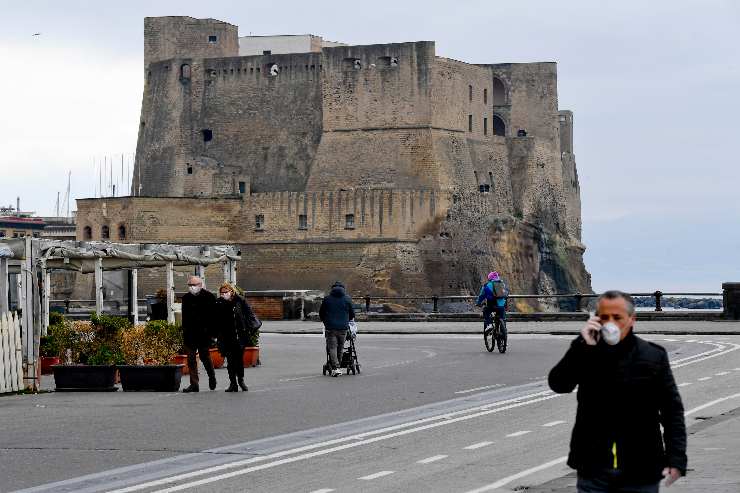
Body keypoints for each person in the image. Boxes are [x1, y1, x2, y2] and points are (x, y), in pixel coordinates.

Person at [548, 290, 687, 492]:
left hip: (641, 469)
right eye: (604, 317)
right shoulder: (585, 351)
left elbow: (672, 411)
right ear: (595, 320)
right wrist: (580, 346)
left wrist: (676, 459)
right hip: (593, 468)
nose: (610, 323)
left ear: (631, 319)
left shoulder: (653, 356)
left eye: (617, 317)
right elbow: (559, 384)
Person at [214, 282, 256, 392]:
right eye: (222, 293)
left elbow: (249, 314)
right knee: (230, 361)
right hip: (225, 336)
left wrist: (248, 328)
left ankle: (241, 380)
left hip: (238, 336)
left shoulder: (239, 300)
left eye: (226, 292)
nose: (224, 294)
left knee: (238, 360)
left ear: (231, 291)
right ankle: (233, 383)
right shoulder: (218, 302)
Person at [181, 276, 217, 393]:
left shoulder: (209, 297)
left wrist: (211, 334)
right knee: (191, 359)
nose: (192, 287)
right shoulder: (186, 298)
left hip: (204, 334)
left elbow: (213, 317)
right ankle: (194, 384)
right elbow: (184, 317)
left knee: (204, 357)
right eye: (190, 285)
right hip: (190, 334)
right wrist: (184, 331)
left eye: (195, 285)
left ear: (200, 285)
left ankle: (211, 377)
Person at [319, 281, 355, 377]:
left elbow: (321, 313)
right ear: (343, 289)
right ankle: (337, 366)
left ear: (332, 289)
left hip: (330, 327)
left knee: (332, 347)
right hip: (343, 327)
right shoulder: (347, 299)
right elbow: (352, 314)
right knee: (340, 347)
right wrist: (346, 320)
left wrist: (325, 322)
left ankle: (335, 367)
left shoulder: (327, 299)